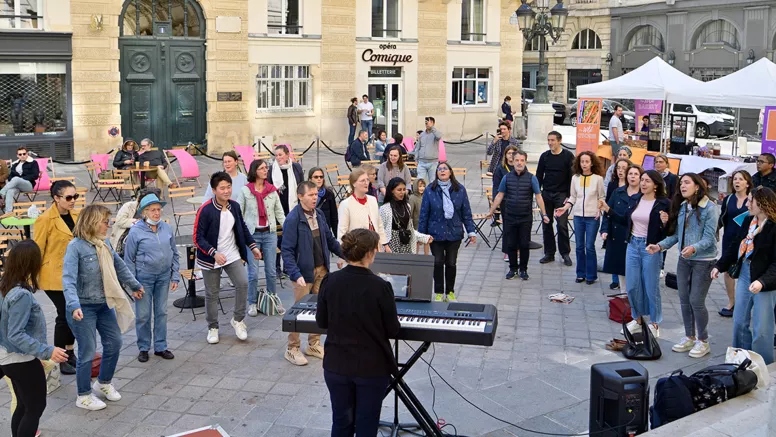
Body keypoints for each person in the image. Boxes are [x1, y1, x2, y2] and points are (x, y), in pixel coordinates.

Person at [316, 228, 400, 437]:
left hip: (336, 365)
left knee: (341, 423)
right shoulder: (380, 286)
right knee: (366, 425)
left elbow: (321, 321)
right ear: (370, 253)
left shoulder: (330, 281)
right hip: (371, 368)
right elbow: (392, 329)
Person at [63, 205, 144, 411]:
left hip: (103, 303)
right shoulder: (76, 247)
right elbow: (68, 279)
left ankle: (104, 382)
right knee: (88, 351)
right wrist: (73, 305)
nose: (108, 225)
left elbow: (119, 266)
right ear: (92, 222)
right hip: (83, 307)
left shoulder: (105, 243)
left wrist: (134, 286)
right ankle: (83, 395)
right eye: (105, 221)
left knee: (115, 343)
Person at [0, 241, 68, 437]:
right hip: (20, 360)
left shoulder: (5, 286)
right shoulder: (21, 295)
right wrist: (48, 351)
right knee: (35, 408)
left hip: (9, 357)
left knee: (23, 405)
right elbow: (16, 333)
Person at [649, 173, 719, 358]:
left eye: (687, 182)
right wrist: (660, 246)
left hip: (704, 261)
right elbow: (676, 236)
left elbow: (709, 239)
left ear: (697, 186)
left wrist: (693, 249)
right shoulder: (683, 206)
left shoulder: (710, 208)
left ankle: (703, 341)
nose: (682, 186)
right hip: (684, 259)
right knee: (684, 299)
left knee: (696, 300)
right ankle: (689, 336)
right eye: (681, 183)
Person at [194, 172, 262, 345]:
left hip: (232, 254)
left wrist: (252, 246)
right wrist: (213, 252)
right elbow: (197, 237)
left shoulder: (235, 206)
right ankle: (213, 327)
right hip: (211, 258)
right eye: (222, 188)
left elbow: (242, 228)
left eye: (229, 187)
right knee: (212, 293)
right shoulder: (206, 209)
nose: (226, 191)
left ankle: (238, 320)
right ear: (214, 190)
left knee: (242, 283)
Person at [712, 187, 776, 364]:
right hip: (746, 274)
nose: (747, 204)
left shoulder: (773, 227)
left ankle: (763, 365)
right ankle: (740, 360)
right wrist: (720, 265)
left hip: (766, 281)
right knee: (739, 321)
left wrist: (762, 282)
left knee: (762, 327)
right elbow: (735, 246)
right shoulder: (749, 220)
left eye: (750, 201)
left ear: (762, 204)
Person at [282, 181, 343, 366]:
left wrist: (347, 255)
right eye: (310, 195)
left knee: (319, 308)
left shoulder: (319, 214)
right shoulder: (293, 219)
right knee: (299, 311)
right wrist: (295, 273)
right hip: (303, 272)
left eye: (316, 194)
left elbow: (330, 240)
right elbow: (287, 250)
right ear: (300, 196)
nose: (314, 198)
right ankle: (292, 348)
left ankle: (314, 343)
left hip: (321, 269)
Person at [123, 194, 180, 362]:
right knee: (143, 315)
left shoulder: (166, 228)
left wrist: (174, 275)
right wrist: (133, 285)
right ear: (144, 212)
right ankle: (143, 347)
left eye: (158, 209)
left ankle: (161, 346)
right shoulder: (135, 231)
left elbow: (174, 253)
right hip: (143, 279)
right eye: (153, 210)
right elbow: (128, 259)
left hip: (163, 277)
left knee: (161, 312)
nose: (157, 213)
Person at [32, 180, 80, 375]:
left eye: (75, 196)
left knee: (74, 315)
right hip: (53, 275)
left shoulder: (77, 215)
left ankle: (69, 352)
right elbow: (37, 250)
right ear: (56, 198)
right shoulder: (45, 219)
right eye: (68, 197)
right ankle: (59, 358)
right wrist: (30, 278)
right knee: (64, 314)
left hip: (74, 274)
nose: (73, 201)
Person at [621, 170, 670, 339]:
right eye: (642, 180)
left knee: (651, 286)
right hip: (633, 244)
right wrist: (608, 211)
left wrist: (665, 223)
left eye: (647, 181)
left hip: (650, 247)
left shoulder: (664, 203)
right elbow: (625, 219)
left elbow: (670, 230)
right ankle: (637, 319)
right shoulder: (635, 199)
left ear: (655, 185)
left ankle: (655, 322)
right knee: (632, 285)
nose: (643, 183)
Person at [487, 150, 549, 280]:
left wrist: (544, 214)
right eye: (517, 160)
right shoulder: (507, 178)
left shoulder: (532, 178)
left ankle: (523, 269)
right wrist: (491, 211)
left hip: (525, 217)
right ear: (513, 162)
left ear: (525, 162)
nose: (519, 163)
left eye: (522, 160)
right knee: (511, 244)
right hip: (509, 216)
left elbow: (538, 197)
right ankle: (512, 269)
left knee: (524, 244)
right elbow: (499, 195)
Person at [418, 163, 476, 302]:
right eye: (439, 169)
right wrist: (421, 235)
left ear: (450, 172)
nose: (442, 171)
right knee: (437, 262)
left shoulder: (460, 190)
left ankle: (450, 292)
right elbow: (424, 214)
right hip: (435, 233)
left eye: (445, 169)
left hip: (454, 232)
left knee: (451, 263)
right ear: (436, 173)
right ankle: (438, 292)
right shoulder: (430, 190)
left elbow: (466, 212)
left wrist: (471, 231)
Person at [236, 159, 285, 317]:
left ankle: (272, 300)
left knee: (271, 271)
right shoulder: (245, 191)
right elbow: (239, 214)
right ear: (255, 171)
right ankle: (252, 302)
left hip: (269, 233)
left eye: (266, 168)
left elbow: (279, 213)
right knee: (253, 272)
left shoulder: (272, 190)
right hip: (252, 234)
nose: (266, 170)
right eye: (262, 168)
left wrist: (288, 229)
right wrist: (241, 234)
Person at [555, 151, 606, 284]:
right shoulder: (575, 178)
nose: (584, 164)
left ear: (592, 163)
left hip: (592, 218)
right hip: (578, 216)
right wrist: (564, 208)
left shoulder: (598, 179)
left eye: (587, 161)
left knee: (589, 246)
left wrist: (599, 210)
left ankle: (591, 275)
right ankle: (580, 273)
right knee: (579, 246)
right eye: (582, 161)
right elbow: (573, 197)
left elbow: (601, 197)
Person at [600, 163, 641, 292]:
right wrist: (604, 230)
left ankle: (633, 299)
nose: (632, 177)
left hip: (633, 237)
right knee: (620, 270)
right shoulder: (618, 192)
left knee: (633, 271)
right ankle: (624, 297)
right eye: (630, 174)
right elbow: (608, 212)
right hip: (616, 236)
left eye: (636, 174)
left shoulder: (643, 195)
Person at [716, 170, 752, 317]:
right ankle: (731, 302)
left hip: (747, 240)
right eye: (735, 179)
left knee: (746, 270)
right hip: (729, 238)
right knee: (728, 270)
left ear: (747, 183)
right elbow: (723, 216)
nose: (737, 182)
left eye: (740, 179)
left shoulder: (752, 199)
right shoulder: (729, 199)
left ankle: (746, 303)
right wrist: (716, 229)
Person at [535, 131, 574, 266]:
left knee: (562, 224)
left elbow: (572, 177)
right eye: (549, 140)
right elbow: (539, 175)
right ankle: (549, 253)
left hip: (561, 194)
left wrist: (569, 196)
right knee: (546, 223)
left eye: (553, 140)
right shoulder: (544, 156)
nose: (550, 143)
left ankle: (565, 253)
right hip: (546, 193)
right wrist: (537, 193)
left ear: (559, 140)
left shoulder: (568, 156)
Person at [268, 144, 304, 277]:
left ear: (287, 155)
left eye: (280, 155)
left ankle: (289, 266)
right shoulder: (272, 169)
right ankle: (276, 266)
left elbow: (301, 185)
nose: (278, 158)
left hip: (293, 206)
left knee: (291, 238)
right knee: (278, 237)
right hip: (277, 208)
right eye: (276, 155)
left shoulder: (296, 167)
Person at [337, 168, 388, 247]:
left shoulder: (373, 200)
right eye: (362, 181)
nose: (366, 183)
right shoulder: (345, 204)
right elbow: (342, 232)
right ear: (354, 184)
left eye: (367, 180)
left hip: (375, 247)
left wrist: (385, 244)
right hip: (357, 250)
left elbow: (379, 224)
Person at [380, 177, 432, 254]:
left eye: (404, 189)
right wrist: (385, 246)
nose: (402, 192)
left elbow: (410, 229)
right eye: (399, 190)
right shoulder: (385, 208)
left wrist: (425, 237)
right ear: (392, 191)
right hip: (391, 246)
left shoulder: (407, 206)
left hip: (406, 244)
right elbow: (381, 230)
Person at [654, 154, 678, 276]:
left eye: (661, 162)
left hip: (666, 210)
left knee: (663, 238)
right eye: (656, 162)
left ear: (666, 164)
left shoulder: (673, 178)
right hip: (653, 210)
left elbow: (675, 195)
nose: (658, 164)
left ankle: (661, 266)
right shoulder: (651, 176)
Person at [1, 147, 39, 214]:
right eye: (20, 154)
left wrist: (21, 179)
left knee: (16, 179)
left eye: (24, 154)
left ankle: (2, 192)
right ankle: (8, 213)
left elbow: (35, 175)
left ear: (27, 154)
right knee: (10, 191)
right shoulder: (15, 164)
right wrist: (14, 181)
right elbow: (10, 177)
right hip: (17, 186)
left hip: (28, 185)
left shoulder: (33, 163)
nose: (22, 156)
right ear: (17, 155)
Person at [308, 167, 338, 235]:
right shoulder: (306, 194)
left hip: (325, 230)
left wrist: (337, 236)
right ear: (310, 179)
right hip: (310, 230)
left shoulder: (329, 193)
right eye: (316, 177)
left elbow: (334, 216)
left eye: (321, 177)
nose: (319, 179)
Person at [416, 116, 442, 183]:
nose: (427, 124)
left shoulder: (435, 133)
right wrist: (416, 159)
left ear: (433, 123)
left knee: (433, 181)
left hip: (432, 162)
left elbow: (439, 136)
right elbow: (418, 148)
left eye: (429, 122)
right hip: (422, 162)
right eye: (426, 123)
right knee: (420, 181)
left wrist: (432, 128)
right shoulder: (422, 135)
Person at [409, 178, 429, 255]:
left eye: (423, 186)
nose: (422, 188)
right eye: (420, 186)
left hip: (425, 223)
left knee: (427, 240)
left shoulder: (425, 196)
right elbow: (410, 212)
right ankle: (415, 256)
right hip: (416, 224)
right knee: (416, 241)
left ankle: (426, 256)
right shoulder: (412, 198)